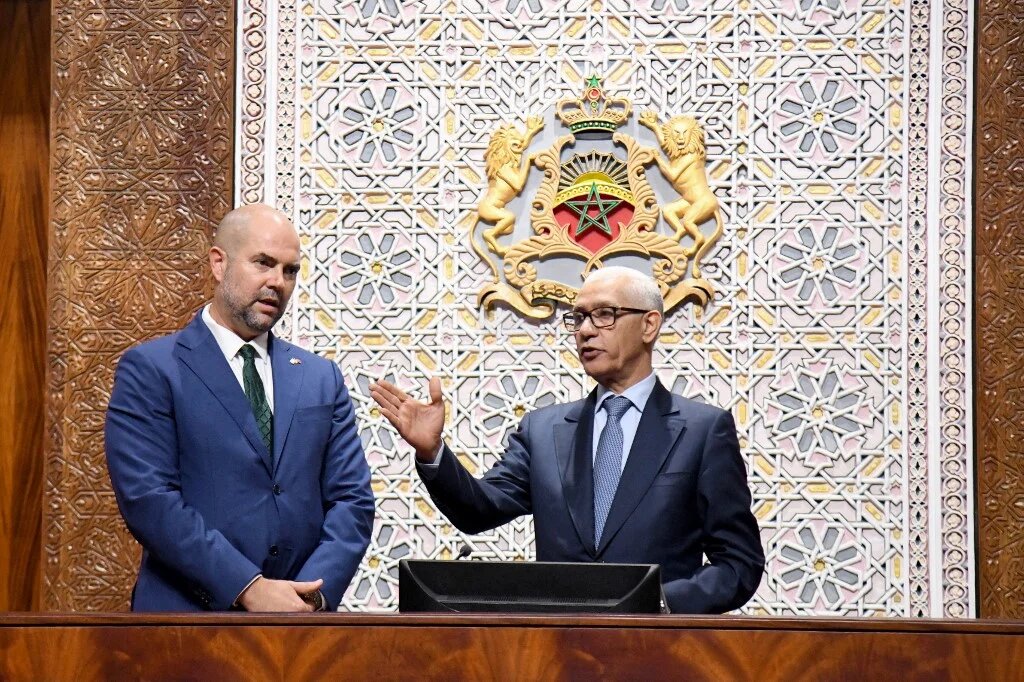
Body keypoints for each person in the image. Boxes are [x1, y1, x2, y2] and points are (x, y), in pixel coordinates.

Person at [371, 266, 764, 613]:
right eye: (578, 318)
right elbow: (479, 511)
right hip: (556, 654)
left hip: (659, 654)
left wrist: (663, 601)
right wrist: (432, 451)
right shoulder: (543, 431)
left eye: (605, 315)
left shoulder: (702, 431)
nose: (586, 331)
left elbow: (739, 564)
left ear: (649, 325)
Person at [105, 204, 374, 612]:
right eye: (263, 263)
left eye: (290, 271)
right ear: (219, 263)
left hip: (301, 630)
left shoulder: (321, 377)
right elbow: (149, 499)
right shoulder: (152, 369)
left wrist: (310, 596)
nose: (277, 282)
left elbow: (352, 501)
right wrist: (248, 587)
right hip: (187, 626)